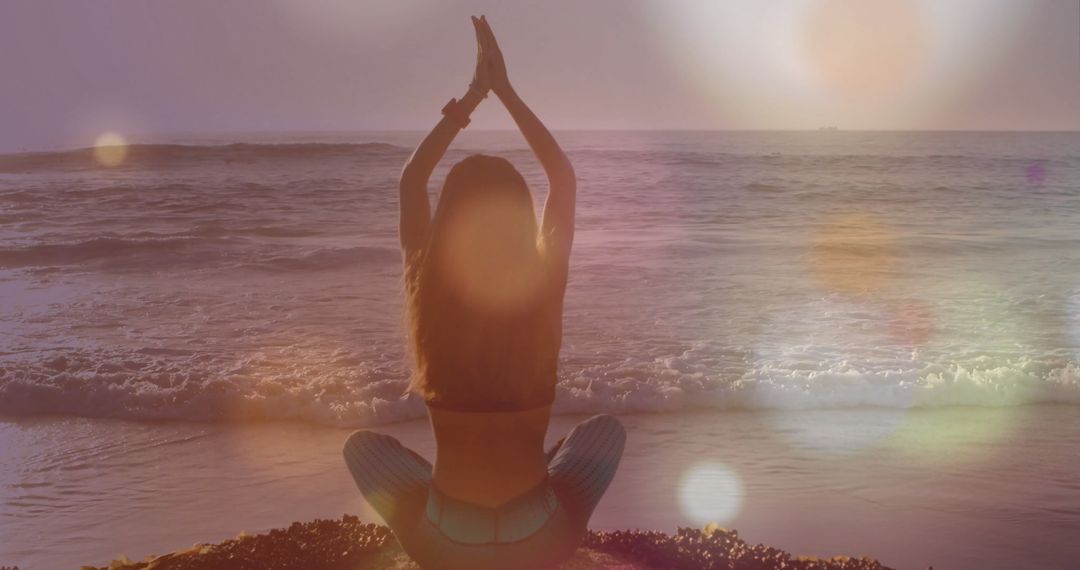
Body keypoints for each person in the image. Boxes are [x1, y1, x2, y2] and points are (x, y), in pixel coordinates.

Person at [342, 15, 625, 570]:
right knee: (603, 434)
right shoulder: (543, 288)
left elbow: (410, 182)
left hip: (447, 542)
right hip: (540, 538)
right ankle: (536, 483)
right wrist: (506, 92)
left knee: (362, 450)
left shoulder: (426, 290)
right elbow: (563, 179)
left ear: (447, 224)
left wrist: (472, 95)